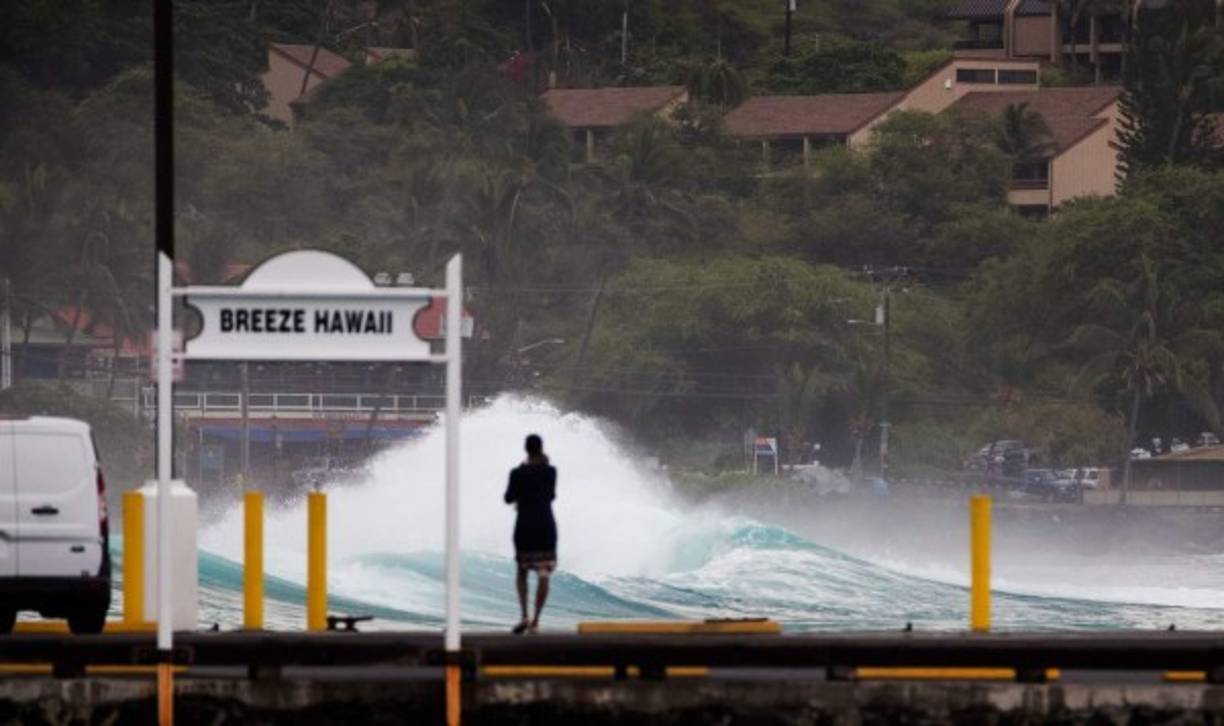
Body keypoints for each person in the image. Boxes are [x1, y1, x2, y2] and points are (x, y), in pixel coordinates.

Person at [504, 434, 557, 634]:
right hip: (545, 526)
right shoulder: (550, 471)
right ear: (540, 448)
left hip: (525, 526)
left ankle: (524, 615)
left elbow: (509, 498)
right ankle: (536, 621)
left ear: (526, 449)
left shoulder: (517, 473)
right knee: (543, 573)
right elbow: (551, 495)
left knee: (522, 571)